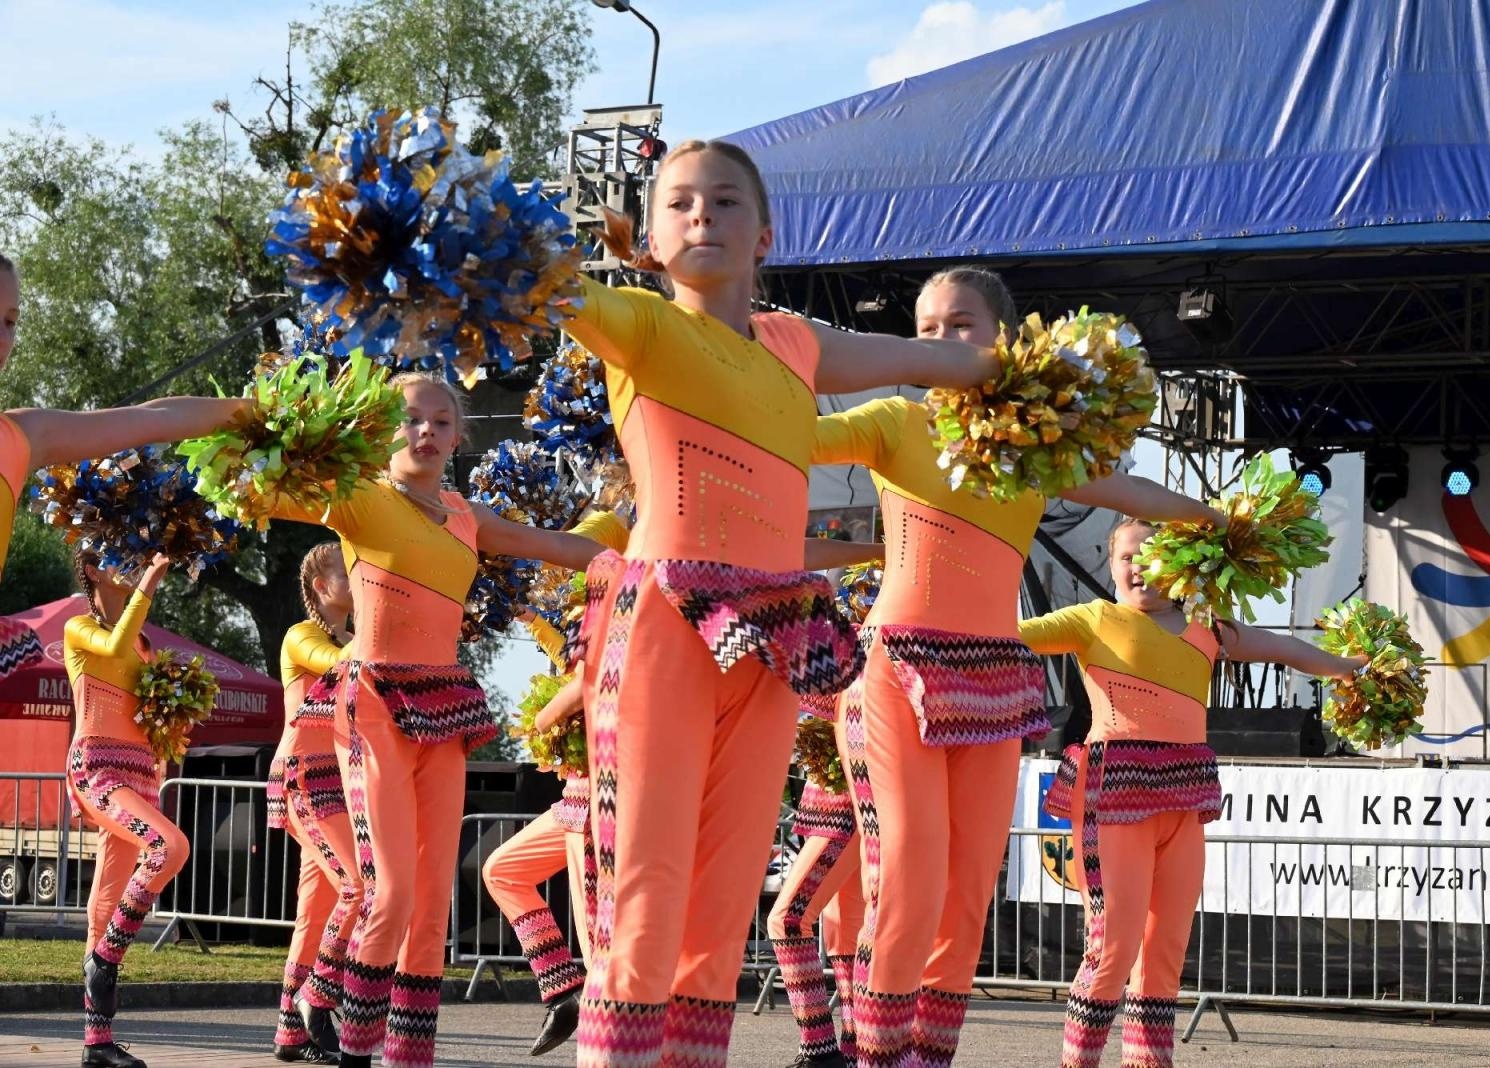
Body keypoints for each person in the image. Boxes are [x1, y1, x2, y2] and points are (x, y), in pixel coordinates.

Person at [564, 139, 1003, 1066]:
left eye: (726, 201)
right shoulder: (639, 325)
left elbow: (929, 359)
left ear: (765, 234)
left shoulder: (798, 345)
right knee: (647, 878)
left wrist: (1047, 381)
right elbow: (539, 289)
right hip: (666, 620)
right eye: (680, 203)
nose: (702, 215)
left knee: (724, 896)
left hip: (772, 635)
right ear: (649, 241)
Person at [812, 266, 1226, 1067]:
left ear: (1005, 342)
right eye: (924, 329)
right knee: (910, 870)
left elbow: (1131, 492)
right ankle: (876, 1054)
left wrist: (1217, 519)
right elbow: (794, 433)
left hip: (994, 680)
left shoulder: (1036, 457)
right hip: (896, 671)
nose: (938, 342)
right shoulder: (895, 421)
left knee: (968, 890)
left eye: (959, 325)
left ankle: (928, 1056)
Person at [256, 372, 601, 1068]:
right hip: (375, 704)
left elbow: (556, 546)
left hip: (445, 706)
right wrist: (265, 433)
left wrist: (643, 555)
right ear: (384, 429)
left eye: (442, 422)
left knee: (431, 898)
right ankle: (349, 1040)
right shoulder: (360, 498)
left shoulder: (466, 516)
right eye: (412, 419)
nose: (426, 432)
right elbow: (261, 489)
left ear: (458, 436)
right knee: (390, 892)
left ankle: (409, 1054)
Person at [1021, 516, 1364, 1068]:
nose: (1138, 568)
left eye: (1151, 556)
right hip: (1113, 799)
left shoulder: (1206, 625)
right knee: (1112, 949)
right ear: (1110, 565)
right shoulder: (1093, 619)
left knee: (1164, 951)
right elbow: (1012, 633)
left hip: (1184, 800)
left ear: (1178, 564)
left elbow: (1279, 646)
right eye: (1127, 557)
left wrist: (1346, 668)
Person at [0, 254, 255, 675]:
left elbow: (156, 418)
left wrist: (261, 411)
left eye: (10, 322)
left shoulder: (19, 438)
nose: (3, 339)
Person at [478, 508, 630, 1059]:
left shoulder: (621, 597)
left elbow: (588, 681)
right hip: (578, 796)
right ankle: (564, 991)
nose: (565, 570)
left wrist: (542, 720)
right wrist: (523, 609)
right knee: (503, 870)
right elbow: (569, 659)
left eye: (575, 558)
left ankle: (610, 1041)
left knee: (601, 941)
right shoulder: (589, 609)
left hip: (601, 794)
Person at [65, 552, 181, 1068]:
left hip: (141, 776)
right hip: (99, 769)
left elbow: (152, 717)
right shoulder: (79, 629)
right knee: (169, 846)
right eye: (120, 556)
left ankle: (97, 1043)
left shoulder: (145, 645)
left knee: (106, 900)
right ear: (92, 571)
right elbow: (112, 645)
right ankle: (106, 958)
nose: (132, 564)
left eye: (137, 558)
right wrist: (150, 583)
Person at [268, 543, 359, 1064]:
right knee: (359, 885)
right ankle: (316, 996)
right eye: (349, 571)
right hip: (306, 776)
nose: (359, 576)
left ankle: (290, 1034)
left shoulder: (351, 639)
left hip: (340, 782)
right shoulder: (301, 635)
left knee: (315, 911)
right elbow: (340, 663)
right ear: (322, 586)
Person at [766, 696, 865, 1068]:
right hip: (834, 795)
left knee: (787, 919)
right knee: (843, 933)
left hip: (846, 800)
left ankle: (819, 1048)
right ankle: (855, 1051)